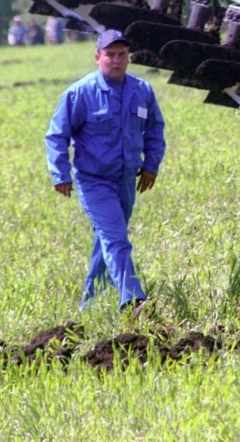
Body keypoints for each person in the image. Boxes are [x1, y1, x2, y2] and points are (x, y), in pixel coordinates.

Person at [45, 29, 166, 314]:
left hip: (126, 180)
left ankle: (90, 308)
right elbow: (56, 135)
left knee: (106, 241)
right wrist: (60, 174)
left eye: (122, 54)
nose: (116, 60)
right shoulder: (80, 93)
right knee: (116, 239)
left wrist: (151, 165)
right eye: (110, 54)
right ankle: (132, 300)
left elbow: (155, 131)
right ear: (97, 57)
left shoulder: (142, 91)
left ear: (128, 58)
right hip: (94, 181)